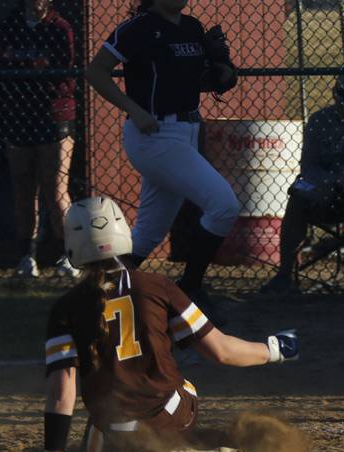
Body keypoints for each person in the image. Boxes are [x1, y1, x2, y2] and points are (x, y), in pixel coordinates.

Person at [33, 196, 298, 452]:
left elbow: (62, 396)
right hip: (166, 417)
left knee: (98, 438)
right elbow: (222, 351)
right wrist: (276, 349)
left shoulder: (65, 308)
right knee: (184, 388)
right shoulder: (157, 286)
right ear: (123, 233)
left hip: (116, 427)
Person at [85, 0, 240, 322]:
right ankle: (189, 290)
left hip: (185, 132)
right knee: (224, 205)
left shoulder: (192, 27)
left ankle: (95, 296)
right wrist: (134, 109)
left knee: (148, 234)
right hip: (153, 133)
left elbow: (195, 79)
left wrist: (220, 68)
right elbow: (95, 71)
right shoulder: (138, 28)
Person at [260, 74, 344, 294]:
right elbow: (309, 166)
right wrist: (329, 184)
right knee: (297, 200)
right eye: (342, 93)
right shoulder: (319, 121)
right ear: (334, 94)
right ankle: (286, 275)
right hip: (325, 192)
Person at [0, 0, 79, 278]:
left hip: (53, 118)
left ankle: (69, 255)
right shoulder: (9, 27)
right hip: (18, 117)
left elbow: (64, 72)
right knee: (23, 190)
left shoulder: (59, 28)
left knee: (55, 190)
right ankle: (27, 256)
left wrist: (28, 69)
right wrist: (32, 67)